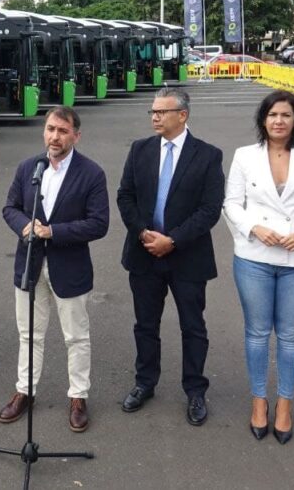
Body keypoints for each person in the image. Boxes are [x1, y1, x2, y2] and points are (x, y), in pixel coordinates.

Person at [223, 90, 294, 444]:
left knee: (290, 337)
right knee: (257, 334)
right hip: (254, 257)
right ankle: (259, 402)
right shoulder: (244, 156)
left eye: (286, 115)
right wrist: (254, 228)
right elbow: (231, 203)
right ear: (263, 120)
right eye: (272, 115)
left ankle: (284, 405)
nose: (278, 121)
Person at [116, 88, 224, 425]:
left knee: (193, 327)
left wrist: (173, 240)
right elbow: (125, 196)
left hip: (187, 257)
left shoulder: (208, 155)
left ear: (183, 115)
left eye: (162, 112)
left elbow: (209, 210)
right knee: (145, 325)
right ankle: (144, 383)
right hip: (145, 253)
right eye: (152, 112)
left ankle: (195, 391)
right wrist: (142, 232)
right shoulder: (140, 150)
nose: (155, 117)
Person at [0, 106, 109, 432]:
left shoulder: (91, 173)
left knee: (76, 337)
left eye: (62, 131)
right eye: (50, 129)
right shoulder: (29, 168)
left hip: (70, 267)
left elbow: (99, 223)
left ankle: (78, 396)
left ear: (76, 135)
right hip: (29, 265)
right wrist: (24, 225)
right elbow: (10, 207)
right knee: (29, 334)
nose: (54, 136)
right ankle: (25, 392)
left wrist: (54, 232)